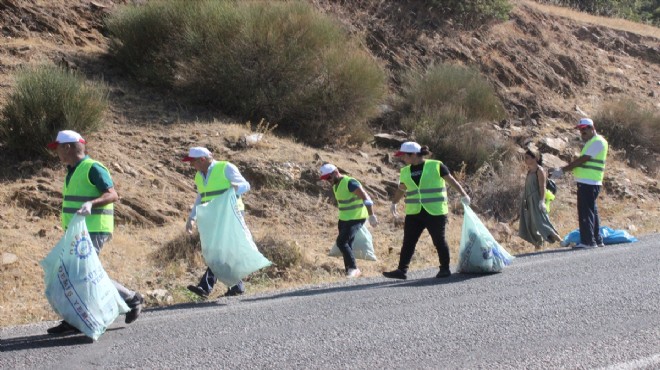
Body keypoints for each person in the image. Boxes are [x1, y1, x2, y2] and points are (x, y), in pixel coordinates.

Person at [46, 130, 144, 334]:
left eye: (58, 148)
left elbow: (112, 194)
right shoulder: (72, 170)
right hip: (78, 231)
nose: (57, 153)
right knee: (79, 275)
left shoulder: (93, 168)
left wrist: (91, 203)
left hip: (94, 228)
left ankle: (131, 298)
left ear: (68, 147)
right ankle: (76, 319)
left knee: (84, 274)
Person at [382, 142, 470, 280]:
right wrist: (394, 202)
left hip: (435, 211)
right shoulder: (405, 171)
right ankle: (401, 270)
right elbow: (402, 188)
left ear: (413, 154)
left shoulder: (436, 165)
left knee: (439, 240)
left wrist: (464, 195)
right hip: (414, 212)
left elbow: (451, 181)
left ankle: (445, 269)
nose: (402, 159)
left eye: (404, 155)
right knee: (408, 241)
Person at [184, 147, 251, 298]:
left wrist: (237, 187)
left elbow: (246, 186)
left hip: (231, 213)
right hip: (214, 216)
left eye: (192, 161)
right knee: (221, 251)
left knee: (219, 251)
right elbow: (201, 197)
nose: (190, 165)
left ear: (202, 160)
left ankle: (205, 286)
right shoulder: (198, 176)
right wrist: (192, 217)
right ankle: (236, 286)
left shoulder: (226, 167)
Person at [552, 118, 608, 249]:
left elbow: (582, 160)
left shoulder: (598, 142)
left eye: (584, 129)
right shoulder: (592, 142)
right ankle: (597, 239)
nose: (582, 132)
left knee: (585, 212)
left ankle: (588, 241)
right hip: (589, 181)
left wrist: (563, 170)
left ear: (591, 128)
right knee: (591, 211)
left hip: (589, 182)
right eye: (580, 130)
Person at [319, 163, 379, 278]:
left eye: (328, 177)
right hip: (344, 218)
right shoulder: (336, 185)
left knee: (341, 242)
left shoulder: (350, 182)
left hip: (356, 218)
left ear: (335, 172)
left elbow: (366, 197)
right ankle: (349, 270)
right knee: (347, 243)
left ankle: (354, 269)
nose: (327, 180)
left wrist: (371, 215)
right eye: (325, 178)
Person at [518, 148, 561, 249]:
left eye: (527, 157)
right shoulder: (529, 171)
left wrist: (542, 201)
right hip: (529, 201)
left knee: (541, 222)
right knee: (531, 224)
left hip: (537, 200)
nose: (525, 160)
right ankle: (538, 246)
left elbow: (542, 187)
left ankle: (561, 241)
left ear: (535, 158)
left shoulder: (539, 170)